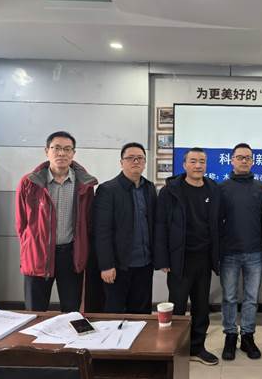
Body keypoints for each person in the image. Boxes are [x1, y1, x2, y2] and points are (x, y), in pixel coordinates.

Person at [15, 131, 97, 312]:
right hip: (38, 254)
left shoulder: (84, 185)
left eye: (67, 149)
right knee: (35, 312)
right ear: (47, 151)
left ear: (73, 153)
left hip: (71, 255)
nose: (61, 153)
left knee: (71, 312)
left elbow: (88, 223)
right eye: (56, 148)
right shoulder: (29, 182)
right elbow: (21, 224)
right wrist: (30, 247)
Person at [155, 147, 221, 366]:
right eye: (193, 161)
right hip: (179, 259)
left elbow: (217, 224)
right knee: (178, 306)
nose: (198, 165)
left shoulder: (213, 188)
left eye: (202, 161)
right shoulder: (170, 191)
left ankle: (197, 348)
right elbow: (161, 225)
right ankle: (174, 349)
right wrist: (163, 259)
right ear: (184, 165)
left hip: (204, 258)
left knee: (202, 307)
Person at [92, 142, 157, 314]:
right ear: (121, 162)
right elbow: (102, 231)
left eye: (140, 158)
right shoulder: (108, 190)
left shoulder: (149, 188)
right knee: (115, 313)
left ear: (145, 162)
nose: (136, 161)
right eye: (130, 158)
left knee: (142, 313)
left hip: (145, 264)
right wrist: (106, 265)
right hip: (118, 266)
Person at [219, 143, 262, 360]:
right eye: (240, 157)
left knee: (251, 298)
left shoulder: (260, 188)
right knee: (229, 297)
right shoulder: (222, 188)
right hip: (229, 252)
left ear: (253, 161)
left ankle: (248, 336)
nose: (244, 161)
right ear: (231, 160)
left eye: (248, 157)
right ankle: (230, 336)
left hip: (255, 252)